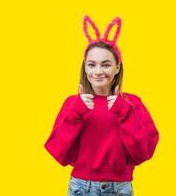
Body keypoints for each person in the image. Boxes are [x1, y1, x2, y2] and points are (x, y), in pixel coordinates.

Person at [44, 15, 160, 196]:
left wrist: (125, 113)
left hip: (120, 188)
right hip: (81, 187)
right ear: (85, 67)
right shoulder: (72, 104)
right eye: (92, 65)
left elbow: (142, 153)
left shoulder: (132, 103)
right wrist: (75, 114)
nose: (98, 71)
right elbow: (58, 152)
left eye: (106, 65)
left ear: (117, 67)